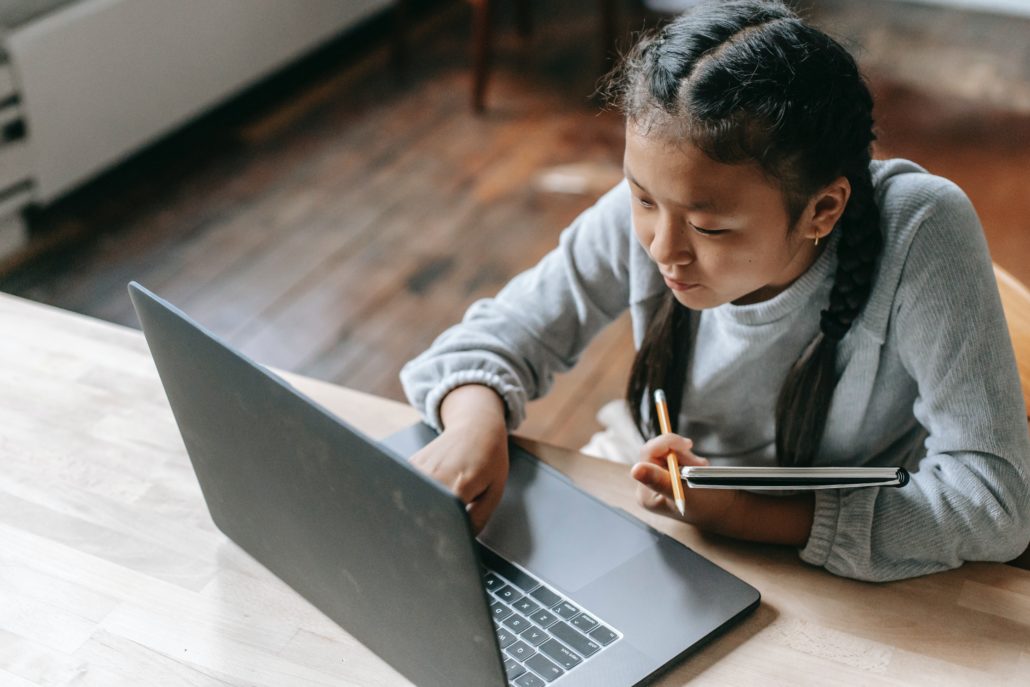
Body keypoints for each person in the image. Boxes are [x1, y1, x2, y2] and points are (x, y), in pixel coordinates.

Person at [399, 0, 1030, 582]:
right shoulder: (662, 194)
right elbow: (498, 336)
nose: (661, 249)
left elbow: (994, 501)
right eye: (641, 199)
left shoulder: (919, 228)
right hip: (664, 500)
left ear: (823, 209)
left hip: (851, 543)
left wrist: (740, 515)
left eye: (709, 227)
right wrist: (471, 425)